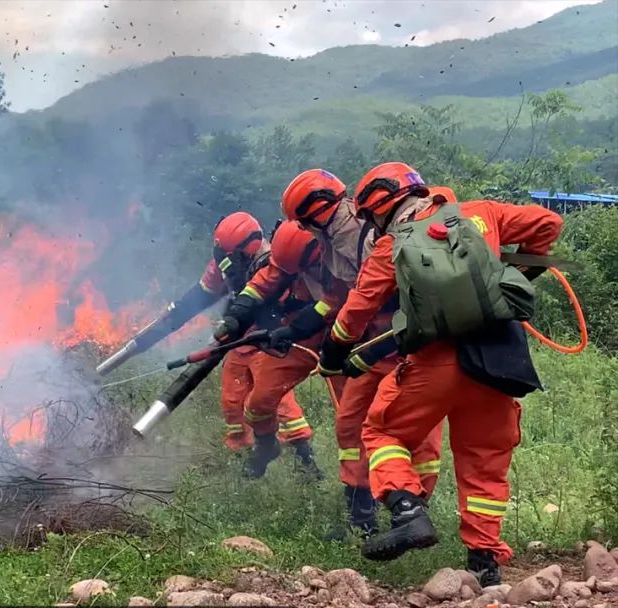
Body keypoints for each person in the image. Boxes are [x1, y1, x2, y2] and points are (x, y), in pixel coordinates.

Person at [319, 161, 562, 585]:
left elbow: (356, 312)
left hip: (436, 364)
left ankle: (408, 511)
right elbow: (548, 224)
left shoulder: (391, 245)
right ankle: (484, 565)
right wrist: (515, 271)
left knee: (382, 431)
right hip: (498, 362)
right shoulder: (482, 213)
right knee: (484, 460)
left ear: (381, 208)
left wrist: (333, 352)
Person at [273, 168, 443, 538]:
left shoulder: (361, 235)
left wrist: (338, 345)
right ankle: (360, 516)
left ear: (315, 212)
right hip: (374, 346)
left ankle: (413, 513)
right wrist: (300, 326)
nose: (304, 229)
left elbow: (371, 295)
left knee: (414, 430)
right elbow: (340, 293)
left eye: (304, 222)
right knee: (350, 423)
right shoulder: (336, 240)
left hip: (407, 345)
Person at [104, 211, 322, 474]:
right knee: (232, 400)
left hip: (269, 340)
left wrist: (240, 324)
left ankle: (305, 461)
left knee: (273, 399)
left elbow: (274, 307)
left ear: (247, 250)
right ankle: (245, 460)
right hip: (239, 341)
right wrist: (169, 321)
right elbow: (199, 296)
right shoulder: (224, 263)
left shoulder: (275, 263)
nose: (225, 266)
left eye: (230, 259)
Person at [215, 219, 347, 480]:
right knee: (258, 401)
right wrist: (237, 314)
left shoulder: (342, 257)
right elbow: (263, 283)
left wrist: (296, 327)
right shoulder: (285, 257)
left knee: (350, 413)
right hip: (296, 336)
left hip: (342, 333)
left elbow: (336, 301)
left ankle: (352, 489)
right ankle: (266, 446)